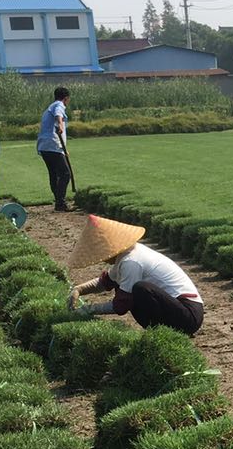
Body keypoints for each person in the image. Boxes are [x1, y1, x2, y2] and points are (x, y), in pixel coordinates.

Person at [66, 214, 204, 336]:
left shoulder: (131, 261)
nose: (102, 259)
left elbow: (120, 306)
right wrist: (79, 289)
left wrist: (90, 309)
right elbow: (106, 281)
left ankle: (169, 331)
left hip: (189, 314)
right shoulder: (126, 256)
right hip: (177, 309)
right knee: (129, 290)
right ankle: (160, 332)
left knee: (138, 289)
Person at [37, 86, 73, 212]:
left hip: (45, 146)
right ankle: (60, 202)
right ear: (66, 98)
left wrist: (64, 150)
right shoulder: (58, 105)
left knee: (54, 174)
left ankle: (58, 201)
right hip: (53, 145)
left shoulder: (49, 107)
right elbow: (58, 114)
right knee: (65, 174)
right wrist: (61, 125)